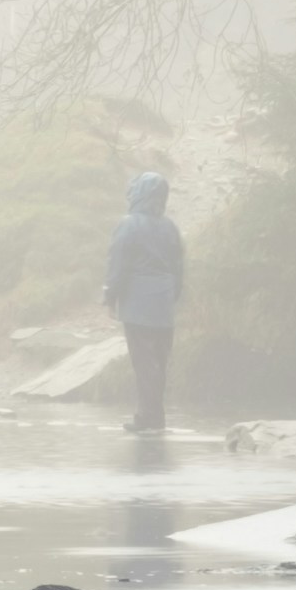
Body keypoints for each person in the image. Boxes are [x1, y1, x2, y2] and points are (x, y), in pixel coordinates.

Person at [104, 169, 187, 433]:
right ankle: (155, 417)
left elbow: (118, 264)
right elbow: (178, 267)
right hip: (163, 305)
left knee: (144, 363)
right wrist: (172, 296)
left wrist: (110, 296)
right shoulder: (170, 227)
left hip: (138, 305)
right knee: (159, 363)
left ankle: (148, 419)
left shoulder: (129, 224)